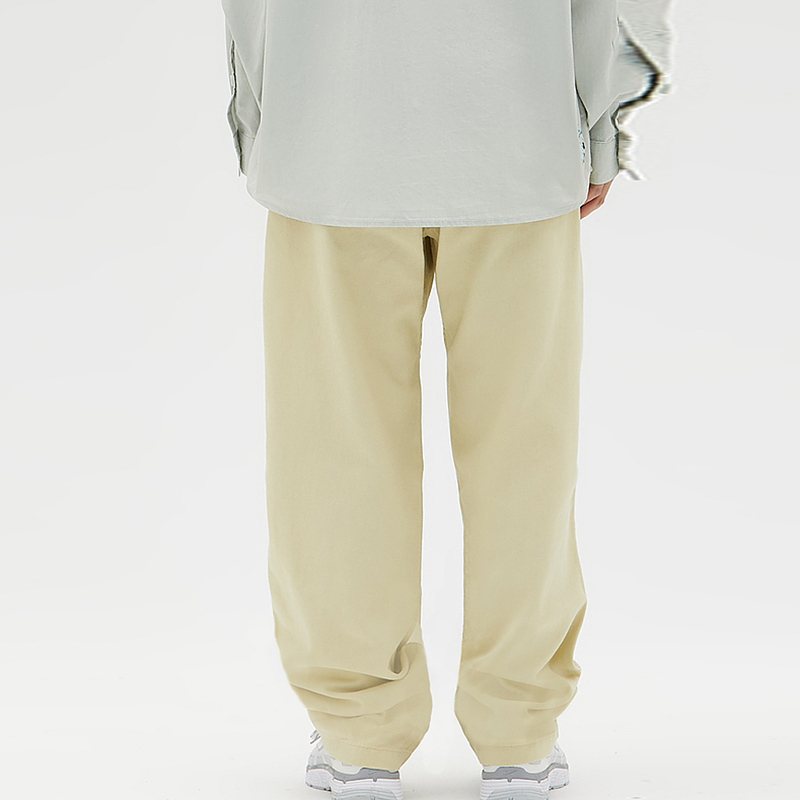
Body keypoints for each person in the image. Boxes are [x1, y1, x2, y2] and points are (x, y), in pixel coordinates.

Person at [219, 2, 673, 798]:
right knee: (524, 452)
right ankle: (519, 734)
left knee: (334, 450)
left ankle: (359, 735)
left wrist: (265, 115)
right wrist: (604, 130)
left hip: (331, 129)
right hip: (520, 131)